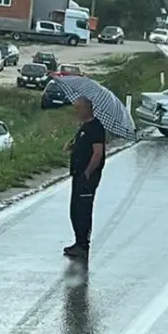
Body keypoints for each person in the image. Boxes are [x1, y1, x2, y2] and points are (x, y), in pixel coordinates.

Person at [63, 97, 106, 258]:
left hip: (87, 176)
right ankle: (78, 241)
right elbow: (84, 145)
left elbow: (98, 153)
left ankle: (83, 244)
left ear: (86, 109)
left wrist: (88, 172)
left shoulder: (96, 127)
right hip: (78, 174)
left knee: (83, 211)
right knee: (75, 210)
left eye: (78, 108)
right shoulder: (84, 127)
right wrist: (73, 146)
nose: (76, 112)